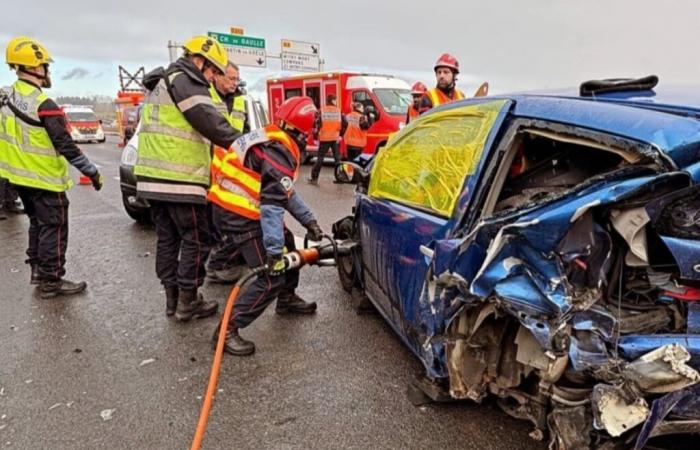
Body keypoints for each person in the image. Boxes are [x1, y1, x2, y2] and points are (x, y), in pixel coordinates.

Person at [134, 36, 242, 320]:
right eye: (213, 71)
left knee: (168, 239)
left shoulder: (164, 81)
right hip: (179, 178)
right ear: (202, 61)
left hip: (152, 177)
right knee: (197, 239)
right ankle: (188, 300)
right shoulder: (187, 81)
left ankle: (172, 300)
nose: (211, 78)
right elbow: (213, 124)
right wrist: (249, 145)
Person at [208, 96, 324, 356]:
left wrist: (309, 221)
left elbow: (286, 192)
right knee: (272, 276)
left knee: (287, 242)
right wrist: (273, 254)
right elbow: (272, 205)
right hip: (240, 214)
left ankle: (286, 298)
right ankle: (227, 330)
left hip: (234, 208)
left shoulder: (274, 139)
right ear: (305, 129)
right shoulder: (280, 151)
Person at [0, 36, 103, 298]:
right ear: (34, 67)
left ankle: (37, 270)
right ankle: (51, 280)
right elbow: (66, 144)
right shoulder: (43, 104)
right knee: (54, 227)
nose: (48, 71)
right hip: (44, 178)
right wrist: (91, 170)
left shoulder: (8, 98)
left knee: (37, 224)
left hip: (18, 177)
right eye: (45, 65)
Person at [206, 61, 250, 283]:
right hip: (210, 167)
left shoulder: (241, 100)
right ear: (217, 76)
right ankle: (216, 263)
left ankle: (226, 258)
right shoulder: (205, 96)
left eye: (237, 79)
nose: (235, 83)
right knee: (219, 220)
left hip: (232, 169)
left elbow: (246, 133)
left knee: (233, 217)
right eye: (231, 78)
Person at [308, 94, 347, 184]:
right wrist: (340, 134)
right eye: (335, 100)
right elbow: (345, 123)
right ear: (332, 101)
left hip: (325, 138)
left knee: (320, 158)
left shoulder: (322, 111)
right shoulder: (338, 111)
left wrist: (316, 135)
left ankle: (314, 177)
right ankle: (340, 178)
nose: (336, 101)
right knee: (337, 159)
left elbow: (316, 124)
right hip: (335, 138)